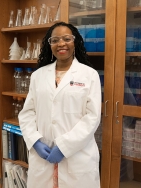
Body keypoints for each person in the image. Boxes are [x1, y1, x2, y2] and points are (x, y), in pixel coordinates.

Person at [18, 22, 102, 188]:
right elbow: (27, 113)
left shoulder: (89, 75)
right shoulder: (38, 76)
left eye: (66, 39)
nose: (61, 44)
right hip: (44, 156)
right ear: (50, 45)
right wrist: (35, 141)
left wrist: (64, 147)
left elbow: (92, 117)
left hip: (77, 157)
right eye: (55, 40)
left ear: (75, 42)